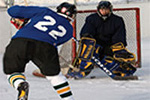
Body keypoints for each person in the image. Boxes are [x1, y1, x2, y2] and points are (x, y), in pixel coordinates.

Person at [3, 2, 77, 100]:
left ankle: (20, 85)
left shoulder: (45, 11)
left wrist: (26, 21)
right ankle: (68, 99)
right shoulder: (69, 30)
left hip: (20, 40)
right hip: (46, 46)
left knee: (13, 72)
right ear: (72, 15)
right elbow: (52, 39)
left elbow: (12, 11)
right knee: (55, 76)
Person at [67, 0, 136, 79]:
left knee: (115, 58)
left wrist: (115, 49)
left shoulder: (117, 20)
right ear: (98, 9)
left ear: (110, 9)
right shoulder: (92, 18)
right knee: (87, 47)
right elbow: (87, 31)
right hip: (95, 45)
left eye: (106, 9)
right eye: (102, 9)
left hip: (109, 45)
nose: (104, 11)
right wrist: (87, 37)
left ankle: (121, 70)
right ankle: (81, 68)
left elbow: (119, 36)